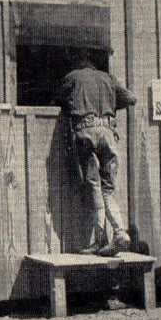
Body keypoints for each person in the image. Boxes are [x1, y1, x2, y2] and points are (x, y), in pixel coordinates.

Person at [55, 49, 136, 256]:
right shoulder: (108, 78)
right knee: (108, 188)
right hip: (108, 134)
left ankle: (104, 239)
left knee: (93, 186)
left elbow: (57, 98)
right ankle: (118, 231)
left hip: (86, 133)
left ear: (78, 64)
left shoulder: (73, 77)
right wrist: (109, 105)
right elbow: (131, 98)